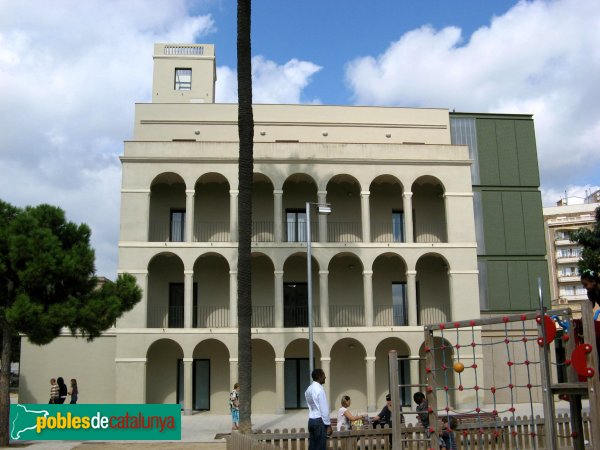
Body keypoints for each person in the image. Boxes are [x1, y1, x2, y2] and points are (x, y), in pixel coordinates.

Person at [305, 368, 332, 450]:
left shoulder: (308, 389)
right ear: (320, 377)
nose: (325, 377)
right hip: (319, 421)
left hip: (311, 420)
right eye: (324, 375)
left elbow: (310, 405)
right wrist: (328, 425)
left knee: (312, 447)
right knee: (320, 447)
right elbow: (324, 410)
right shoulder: (320, 390)